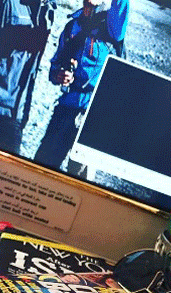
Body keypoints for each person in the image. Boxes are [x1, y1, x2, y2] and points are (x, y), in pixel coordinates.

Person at [33, 0, 129, 176]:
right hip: (67, 107)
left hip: (94, 114)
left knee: (79, 178)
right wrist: (59, 75)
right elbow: (55, 65)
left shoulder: (112, 28)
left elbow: (121, 6)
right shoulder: (73, 26)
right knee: (42, 168)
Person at [0, 0, 56, 154]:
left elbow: (32, 68)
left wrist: (24, 112)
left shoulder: (48, 11)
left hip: (15, 112)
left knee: (8, 167)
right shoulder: (7, 3)